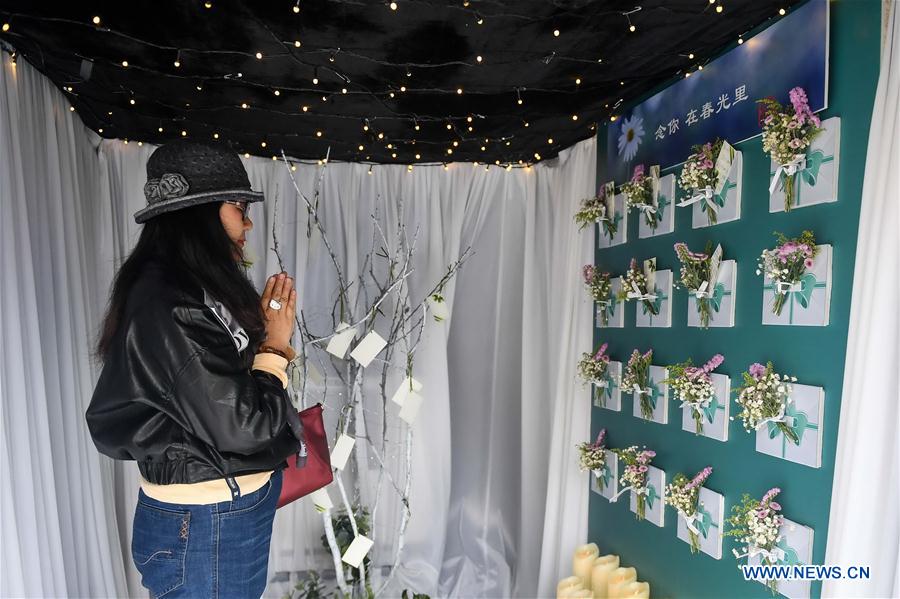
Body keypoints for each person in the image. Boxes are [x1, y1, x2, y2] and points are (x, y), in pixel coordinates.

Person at [86, 141, 302, 598]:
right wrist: (275, 347)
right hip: (209, 525)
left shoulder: (187, 287)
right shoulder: (172, 302)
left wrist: (263, 336)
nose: (247, 223)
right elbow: (244, 425)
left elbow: (214, 392)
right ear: (200, 212)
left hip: (214, 517)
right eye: (239, 207)